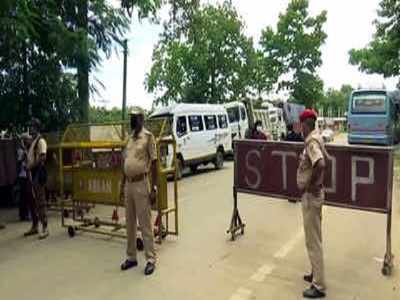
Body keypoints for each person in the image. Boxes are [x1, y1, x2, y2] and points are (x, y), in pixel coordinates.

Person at [120, 108, 158, 276]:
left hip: (141, 184)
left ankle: (150, 259)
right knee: (129, 223)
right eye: (131, 118)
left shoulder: (148, 137)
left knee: (145, 223)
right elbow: (126, 163)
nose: (132, 121)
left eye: (134, 118)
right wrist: (122, 186)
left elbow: (155, 163)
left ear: (141, 119)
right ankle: (131, 257)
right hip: (128, 184)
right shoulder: (129, 139)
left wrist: (154, 188)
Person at [296, 109, 328, 298]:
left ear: (305, 124)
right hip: (315, 195)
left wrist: (310, 184)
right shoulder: (318, 138)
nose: (300, 129)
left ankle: (318, 286)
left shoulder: (311, 141)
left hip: (311, 196)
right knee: (314, 238)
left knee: (313, 241)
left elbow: (321, 163)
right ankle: (316, 274)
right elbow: (327, 160)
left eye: (301, 125)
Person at [24, 118, 49, 239]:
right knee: (31, 200)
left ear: (37, 127)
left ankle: (45, 227)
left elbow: (42, 158)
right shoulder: (33, 141)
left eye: (32, 126)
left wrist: (30, 166)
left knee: (40, 201)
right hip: (32, 173)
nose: (30, 128)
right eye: (30, 126)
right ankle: (35, 226)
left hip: (38, 173)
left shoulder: (41, 141)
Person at [16, 133, 31, 221]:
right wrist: (24, 152)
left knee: (28, 195)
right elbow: (20, 160)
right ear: (24, 140)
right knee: (24, 196)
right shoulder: (20, 150)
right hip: (23, 176)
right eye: (28, 139)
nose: (29, 140)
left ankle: (26, 214)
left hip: (28, 175)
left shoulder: (28, 149)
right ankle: (23, 215)